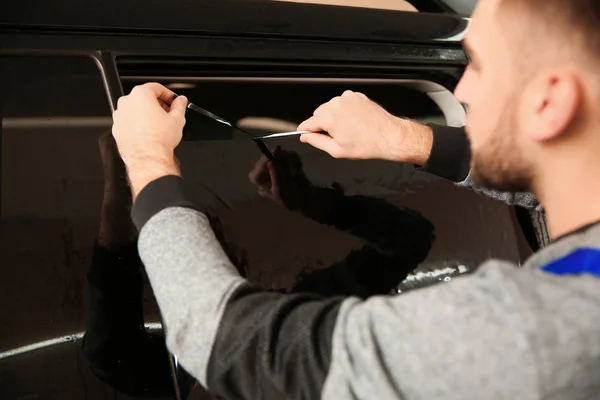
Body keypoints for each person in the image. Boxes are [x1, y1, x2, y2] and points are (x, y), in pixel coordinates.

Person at [111, 0, 600, 398]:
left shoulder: (538, 334)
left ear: (550, 102)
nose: (465, 86)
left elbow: (237, 345)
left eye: (481, 65)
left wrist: (148, 161)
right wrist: (404, 140)